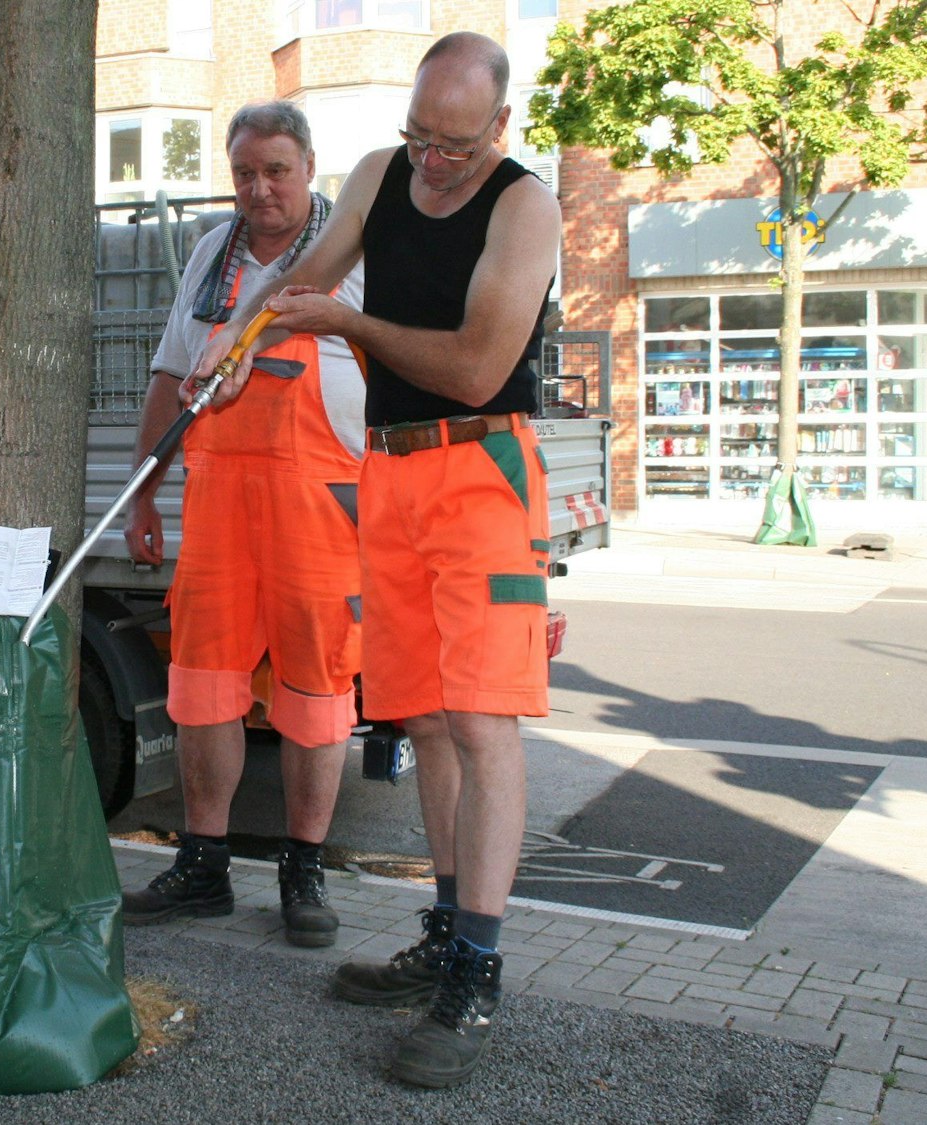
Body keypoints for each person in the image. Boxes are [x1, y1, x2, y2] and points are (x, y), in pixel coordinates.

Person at [190, 32, 560, 1088]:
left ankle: (476, 978)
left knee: (482, 722)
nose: (430, 160)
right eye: (417, 137)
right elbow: (307, 268)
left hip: (482, 467)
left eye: (453, 143)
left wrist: (348, 322)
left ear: (496, 126)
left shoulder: (523, 207)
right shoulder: (377, 174)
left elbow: (477, 362)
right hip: (388, 475)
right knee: (429, 719)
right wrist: (243, 330)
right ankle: (446, 933)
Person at [118, 102, 366, 949]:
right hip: (218, 505)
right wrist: (145, 490)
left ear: (309, 168)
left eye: (277, 171)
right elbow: (168, 374)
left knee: (316, 695)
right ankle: (203, 865)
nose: (260, 189)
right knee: (202, 689)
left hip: (320, 509)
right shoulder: (208, 256)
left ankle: (304, 871)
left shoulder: (356, 257)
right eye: (244, 173)